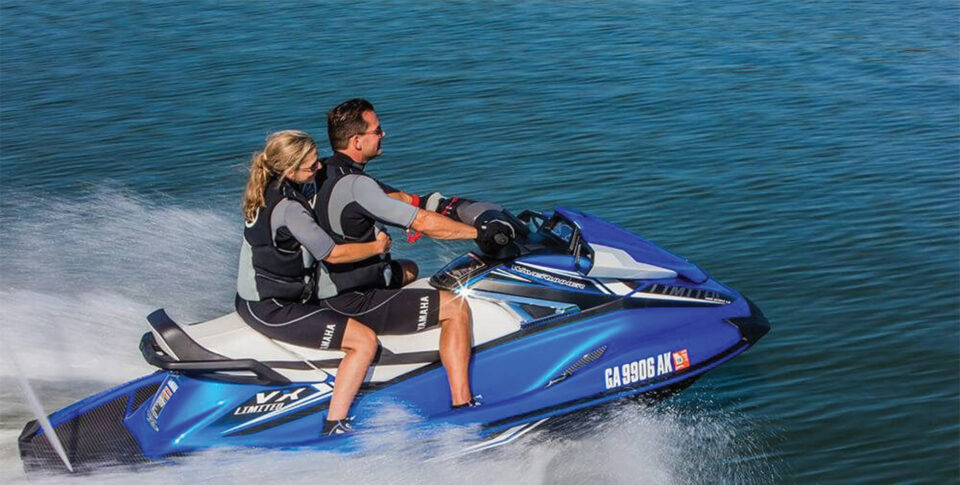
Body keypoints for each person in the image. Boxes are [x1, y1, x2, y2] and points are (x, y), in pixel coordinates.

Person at [306, 98, 517, 408]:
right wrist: (480, 233)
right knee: (454, 307)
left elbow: (398, 198)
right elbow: (422, 223)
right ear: (356, 141)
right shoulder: (356, 185)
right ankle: (463, 403)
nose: (383, 135)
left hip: (335, 285)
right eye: (377, 131)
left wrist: (439, 203)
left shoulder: (328, 171)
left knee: (410, 269)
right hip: (352, 298)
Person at [236, 130, 389, 436]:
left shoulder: (268, 188)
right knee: (363, 341)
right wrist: (377, 247)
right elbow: (332, 255)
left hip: (255, 301)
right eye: (311, 166)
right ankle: (335, 424)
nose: (319, 168)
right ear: (290, 170)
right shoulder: (290, 208)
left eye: (318, 160)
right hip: (273, 308)